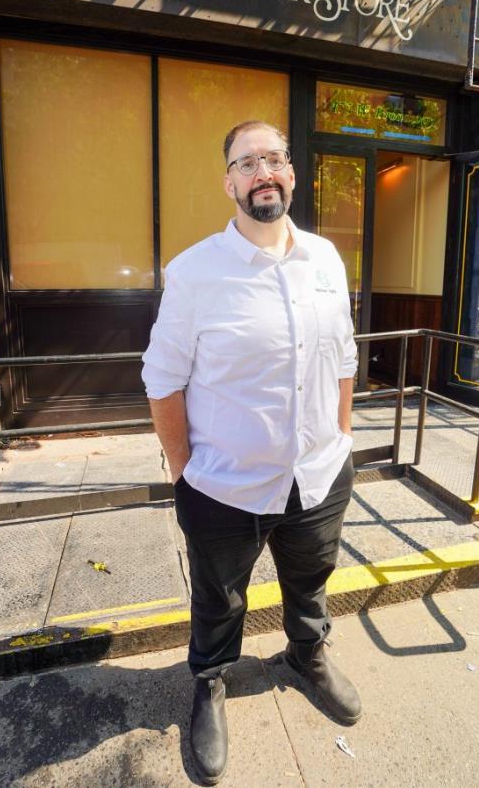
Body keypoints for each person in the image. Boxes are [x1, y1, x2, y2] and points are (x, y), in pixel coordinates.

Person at [142, 120, 361, 785]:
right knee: (219, 599)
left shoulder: (326, 258)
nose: (263, 171)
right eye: (247, 162)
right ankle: (210, 682)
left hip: (319, 476)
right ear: (229, 182)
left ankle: (307, 654)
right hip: (223, 488)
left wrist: (342, 437)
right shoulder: (194, 272)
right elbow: (162, 379)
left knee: (311, 579)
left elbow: (344, 356)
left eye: (274, 158)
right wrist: (184, 469)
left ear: (292, 174)